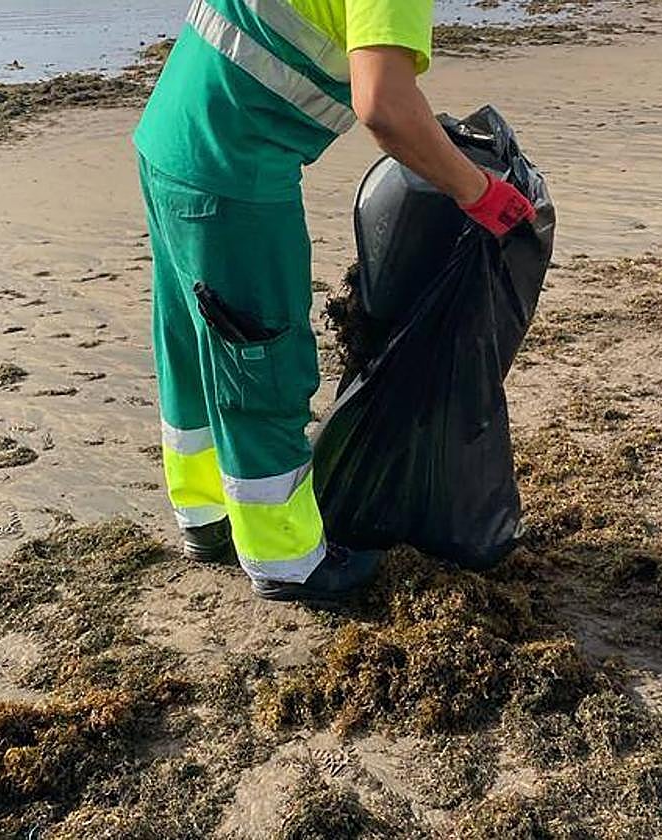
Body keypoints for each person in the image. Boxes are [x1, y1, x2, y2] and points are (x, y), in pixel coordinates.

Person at [133, 0, 536, 603]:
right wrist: (479, 193)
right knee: (261, 360)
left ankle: (206, 516)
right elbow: (385, 107)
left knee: (194, 345)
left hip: (170, 142)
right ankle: (287, 558)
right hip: (234, 173)